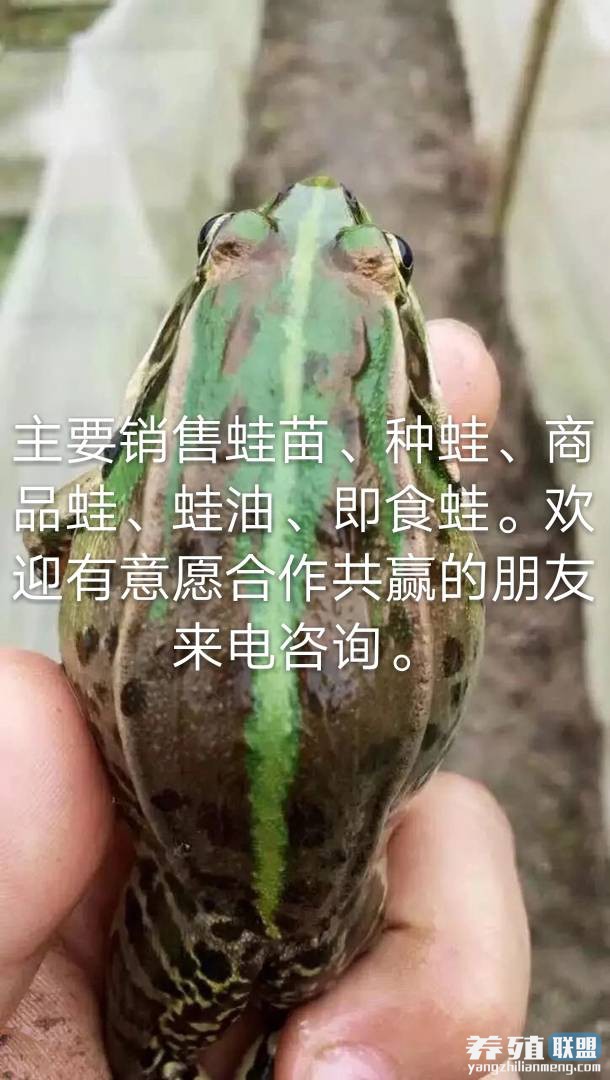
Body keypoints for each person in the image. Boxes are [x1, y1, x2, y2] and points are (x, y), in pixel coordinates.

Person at [0, 320, 529, 1079]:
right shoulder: (407, 486)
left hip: (189, 903)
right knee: (326, 1042)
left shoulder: (163, 464)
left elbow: (48, 538)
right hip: (328, 904)